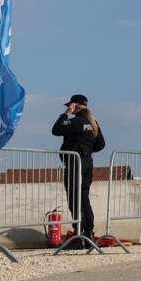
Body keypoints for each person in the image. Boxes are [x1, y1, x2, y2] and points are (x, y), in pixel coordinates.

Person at [52, 94, 105, 246]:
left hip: (75, 163)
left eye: (71, 106)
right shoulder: (93, 122)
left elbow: (56, 130)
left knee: (74, 198)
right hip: (87, 163)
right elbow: (101, 144)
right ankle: (89, 234)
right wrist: (86, 151)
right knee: (84, 198)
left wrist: (66, 114)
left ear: (74, 106)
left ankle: (78, 234)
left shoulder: (76, 121)